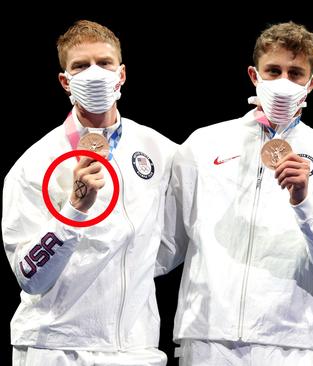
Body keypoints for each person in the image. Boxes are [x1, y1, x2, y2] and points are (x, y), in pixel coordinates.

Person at [156, 21, 313, 365]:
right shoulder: (204, 144)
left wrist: (304, 203)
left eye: (295, 73)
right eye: (273, 70)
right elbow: (166, 244)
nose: (283, 82)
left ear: (312, 83)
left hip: (292, 340)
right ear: (254, 75)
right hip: (208, 335)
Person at [2, 20, 176, 365]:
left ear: (122, 74)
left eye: (105, 63)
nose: (94, 74)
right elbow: (28, 276)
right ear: (66, 81)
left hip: (136, 347)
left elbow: (173, 242)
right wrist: (75, 211)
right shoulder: (34, 164)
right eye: (81, 66)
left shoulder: (161, 150)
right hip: (56, 347)